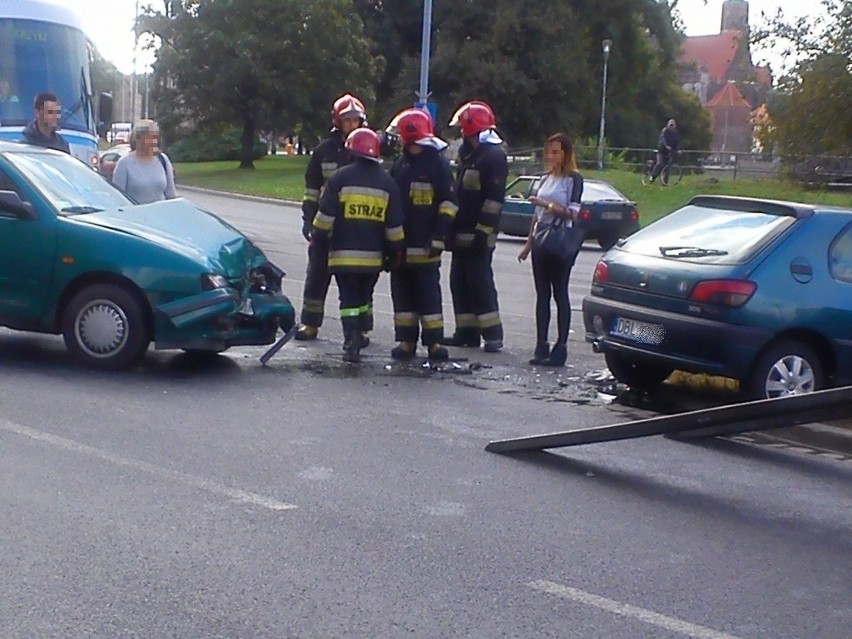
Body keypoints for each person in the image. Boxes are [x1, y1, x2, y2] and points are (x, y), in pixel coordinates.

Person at [310, 128, 405, 363]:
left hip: (343, 257)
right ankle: (362, 333)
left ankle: (352, 340)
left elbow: (325, 218)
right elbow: (394, 226)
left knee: (349, 300)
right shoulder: (387, 182)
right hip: (373, 260)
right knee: (364, 297)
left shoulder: (340, 178)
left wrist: (317, 238)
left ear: (352, 151)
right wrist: (395, 251)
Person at [386, 107, 458, 362]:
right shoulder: (401, 164)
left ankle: (434, 343)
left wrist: (439, 236)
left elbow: (449, 202)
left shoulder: (436, 165)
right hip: (402, 248)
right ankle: (406, 342)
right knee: (402, 297)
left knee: (428, 296)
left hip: (426, 247)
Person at [296, 94, 368, 342]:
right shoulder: (323, 151)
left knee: (357, 281)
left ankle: (360, 329)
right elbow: (311, 189)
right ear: (338, 121)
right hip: (325, 226)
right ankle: (310, 324)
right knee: (317, 275)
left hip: (354, 227)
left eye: (355, 120)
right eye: (347, 120)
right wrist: (308, 219)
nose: (351, 124)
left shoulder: (364, 149)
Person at [443, 100, 507, 353]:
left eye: (463, 126)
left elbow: (493, 200)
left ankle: (493, 334)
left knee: (480, 282)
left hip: (480, 233)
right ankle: (466, 332)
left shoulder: (492, 157)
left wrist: (483, 231)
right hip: (461, 231)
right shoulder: (469, 155)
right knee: (459, 281)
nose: (460, 131)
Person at [517, 133, 584, 367]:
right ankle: (541, 345)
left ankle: (561, 347)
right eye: (549, 151)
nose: (552, 156)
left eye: (557, 152)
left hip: (560, 239)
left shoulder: (573, 179)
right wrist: (528, 244)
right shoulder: (545, 178)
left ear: (566, 154)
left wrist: (547, 205)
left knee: (560, 293)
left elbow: (573, 213)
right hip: (541, 240)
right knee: (541, 295)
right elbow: (536, 217)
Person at [111, 120, 177, 204]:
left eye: (155, 138)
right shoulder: (124, 163)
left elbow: (171, 194)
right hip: (135, 214)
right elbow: (118, 198)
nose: (152, 142)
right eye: (148, 138)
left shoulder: (163, 160)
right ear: (138, 139)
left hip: (160, 214)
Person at [649, 118, 680, 183]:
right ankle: (652, 177)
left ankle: (665, 183)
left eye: (672, 125)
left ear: (675, 125)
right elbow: (663, 139)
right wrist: (666, 146)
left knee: (667, 167)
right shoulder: (664, 131)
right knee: (660, 163)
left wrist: (678, 149)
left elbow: (677, 142)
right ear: (668, 125)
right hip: (661, 150)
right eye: (670, 125)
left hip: (669, 152)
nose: (671, 126)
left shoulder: (675, 133)